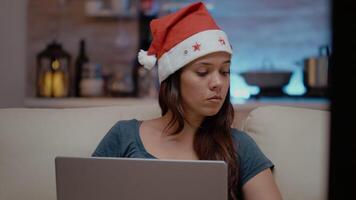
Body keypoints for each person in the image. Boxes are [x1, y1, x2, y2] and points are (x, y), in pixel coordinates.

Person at [92, 2, 282, 200]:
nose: (218, 83)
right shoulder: (124, 136)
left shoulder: (239, 146)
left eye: (225, 72)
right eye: (202, 72)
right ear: (173, 80)